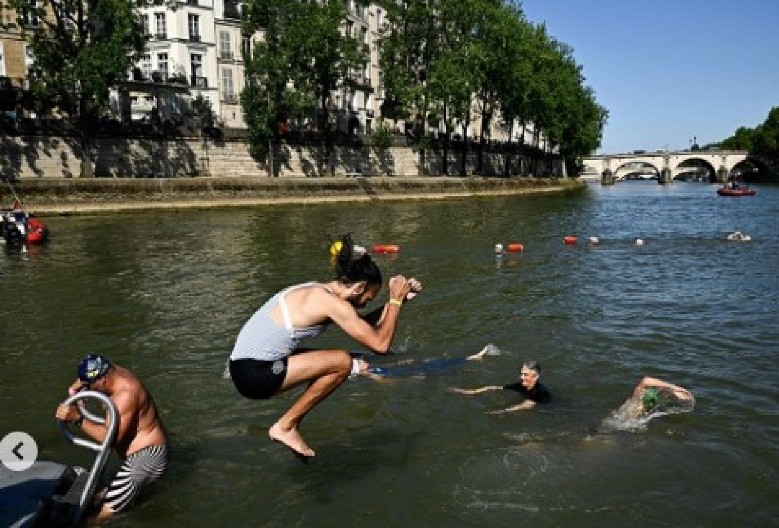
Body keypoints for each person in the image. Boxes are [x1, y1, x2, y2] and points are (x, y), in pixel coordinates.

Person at [228, 234, 422, 460]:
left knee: (354, 359)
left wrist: (399, 301)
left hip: (246, 366)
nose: (367, 303)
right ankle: (286, 426)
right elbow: (380, 344)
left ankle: (364, 373)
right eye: (368, 298)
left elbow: (363, 327)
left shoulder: (319, 292)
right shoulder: (330, 303)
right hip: (254, 374)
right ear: (359, 287)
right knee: (343, 362)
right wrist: (395, 301)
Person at [54, 354, 168, 521]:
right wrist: (75, 390)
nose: (89, 389)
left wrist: (77, 418)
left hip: (148, 457)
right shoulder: (111, 370)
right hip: (134, 454)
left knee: (104, 514)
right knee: (98, 498)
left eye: (90, 386)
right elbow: (86, 375)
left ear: (103, 380)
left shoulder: (125, 395)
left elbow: (110, 440)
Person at [351, 344, 497, 381]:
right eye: (361, 362)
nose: (364, 362)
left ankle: (472, 358)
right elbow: (388, 382)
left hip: (408, 368)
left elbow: (389, 367)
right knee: (438, 371)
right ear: (359, 368)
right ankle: (468, 369)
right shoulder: (370, 374)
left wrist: (403, 362)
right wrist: (411, 379)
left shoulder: (373, 368)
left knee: (439, 363)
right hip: (410, 373)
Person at [451, 360, 551, 413]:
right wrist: (471, 392)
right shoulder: (520, 386)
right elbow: (495, 387)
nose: (521, 377)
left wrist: (501, 411)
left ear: (535, 377)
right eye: (521, 374)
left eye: (525, 375)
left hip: (549, 410)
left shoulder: (540, 392)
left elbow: (526, 405)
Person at [622, 376, 694, 418]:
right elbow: (646, 380)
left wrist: (675, 389)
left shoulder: (635, 402)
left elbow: (646, 381)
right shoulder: (637, 407)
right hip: (631, 416)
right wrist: (677, 388)